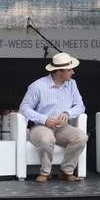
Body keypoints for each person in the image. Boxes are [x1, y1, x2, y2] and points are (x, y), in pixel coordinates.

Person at [19, 52, 88, 183]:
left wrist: (68, 113)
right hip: (41, 126)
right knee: (46, 138)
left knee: (81, 137)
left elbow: (80, 106)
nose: (73, 72)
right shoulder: (38, 85)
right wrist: (44, 119)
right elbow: (24, 108)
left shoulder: (72, 84)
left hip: (62, 127)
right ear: (59, 72)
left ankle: (66, 171)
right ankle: (45, 172)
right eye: (69, 70)